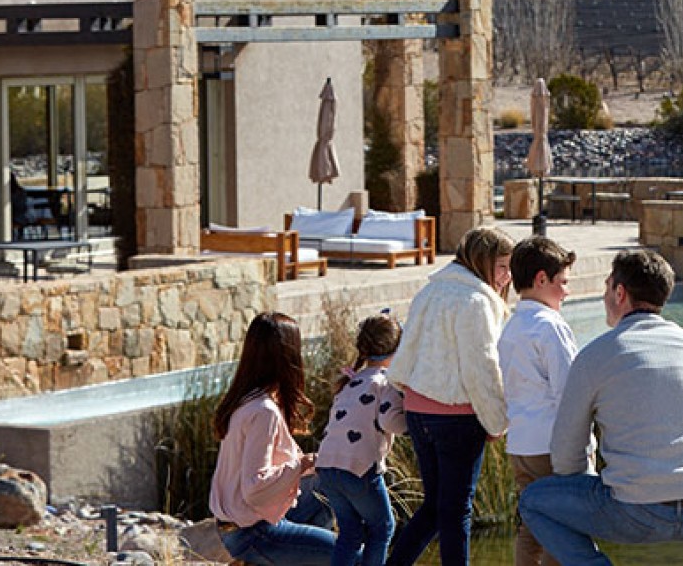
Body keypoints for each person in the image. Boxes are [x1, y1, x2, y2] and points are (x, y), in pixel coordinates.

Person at [519, 250, 683, 566]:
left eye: (606, 287)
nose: (603, 296)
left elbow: (565, 456)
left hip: (634, 513)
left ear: (620, 293)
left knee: (533, 500)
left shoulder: (595, 356)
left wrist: (589, 486)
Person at [385, 227, 515, 566]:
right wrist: (497, 421)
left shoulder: (430, 292)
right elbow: (481, 368)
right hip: (456, 417)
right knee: (457, 510)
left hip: (417, 410)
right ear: (482, 262)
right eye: (502, 266)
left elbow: (408, 350)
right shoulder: (476, 302)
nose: (507, 276)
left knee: (435, 506)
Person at [210, 311, 336, 566]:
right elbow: (255, 488)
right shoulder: (263, 412)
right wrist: (302, 464)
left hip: (235, 525)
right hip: (253, 533)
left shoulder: (244, 399)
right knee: (356, 555)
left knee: (328, 481)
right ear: (288, 356)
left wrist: (316, 463)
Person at [498, 238, 581, 566]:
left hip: (521, 442)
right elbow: (569, 391)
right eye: (563, 283)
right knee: (563, 527)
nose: (567, 292)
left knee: (532, 525)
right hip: (552, 443)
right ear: (541, 279)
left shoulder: (512, 326)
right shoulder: (550, 327)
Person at [315, 313, 409, 566]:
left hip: (327, 466)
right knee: (383, 528)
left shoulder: (350, 381)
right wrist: (412, 421)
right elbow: (391, 422)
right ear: (398, 349)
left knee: (349, 532)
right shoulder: (385, 383)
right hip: (359, 468)